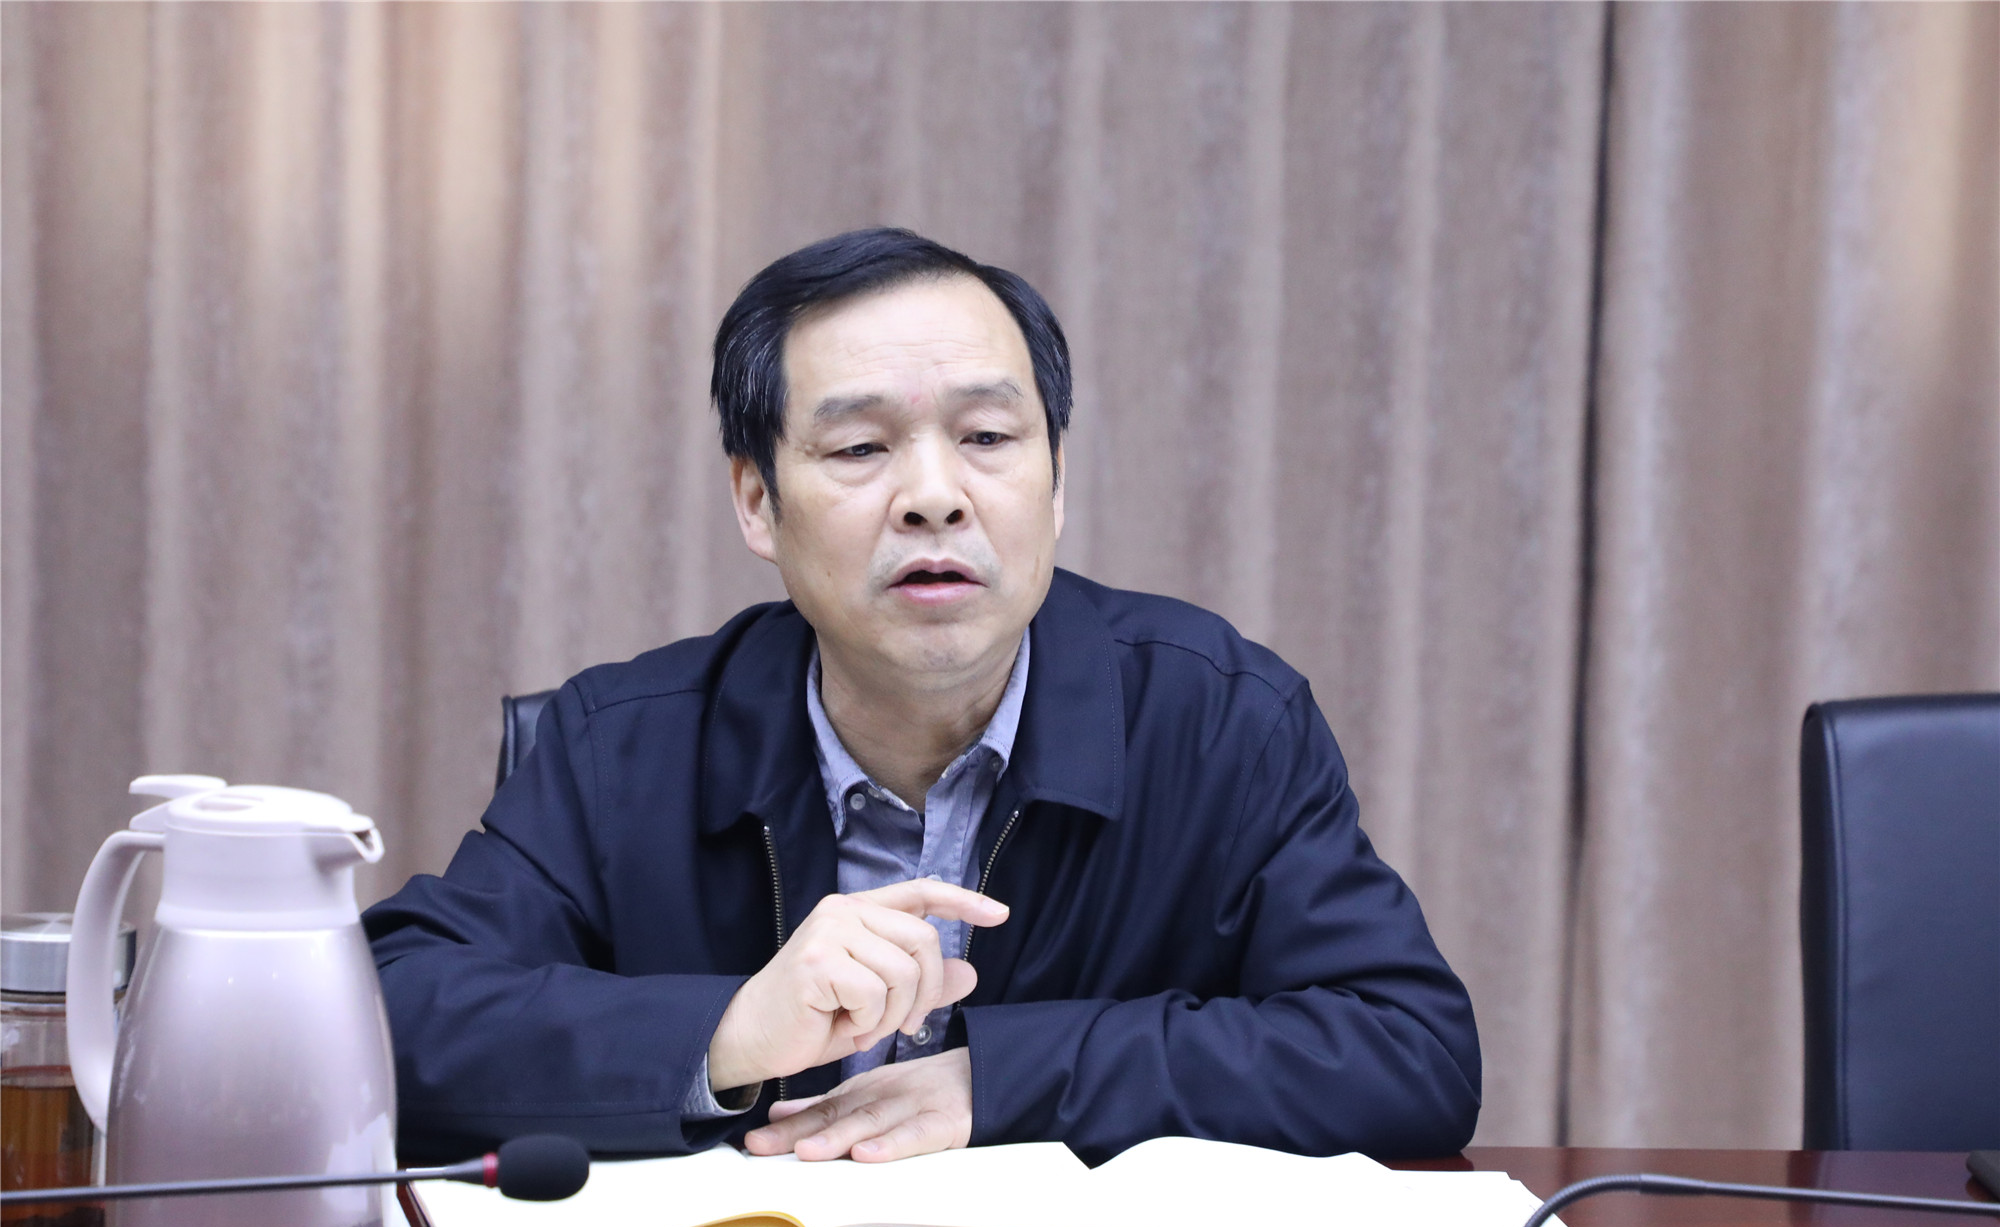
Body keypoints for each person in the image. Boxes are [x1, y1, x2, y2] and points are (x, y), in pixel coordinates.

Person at [364, 227, 1480, 1167]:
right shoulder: (623, 746)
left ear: (1055, 483)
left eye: (988, 437)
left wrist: (1004, 1081)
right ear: (756, 501)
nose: (934, 496)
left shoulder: (1218, 721)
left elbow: (1406, 1050)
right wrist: (726, 1031)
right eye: (860, 447)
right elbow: (388, 1015)